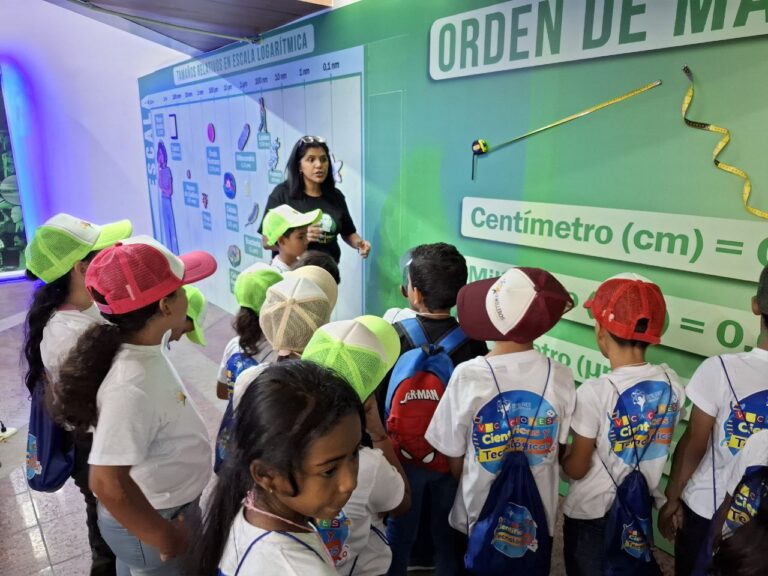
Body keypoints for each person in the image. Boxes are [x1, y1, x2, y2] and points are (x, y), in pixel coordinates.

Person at [49, 235, 217, 575]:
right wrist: (164, 537)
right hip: (157, 521)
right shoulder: (130, 383)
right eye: (181, 289)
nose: (188, 295)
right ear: (165, 307)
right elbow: (106, 482)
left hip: (161, 510)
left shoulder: (142, 344)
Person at [425, 267, 576, 573]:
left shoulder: (468, 375)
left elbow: (454, 458)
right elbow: (557, 450)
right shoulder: (561, 376)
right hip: (538, 518)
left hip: (475, 513)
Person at [23, 213, 132, 576]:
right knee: (108, 538)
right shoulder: (68, 333)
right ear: (81, 268)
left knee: (111, 526)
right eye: (103, 253)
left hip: (103, 441)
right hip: (94, 447)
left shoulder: (88, 311)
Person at [561, 273, 685, 576]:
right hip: (637, 507)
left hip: (591, 515)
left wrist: (559, 457)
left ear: (601, 330)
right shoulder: (672, 383)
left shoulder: (593, 392)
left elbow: (577, 468)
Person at [190, 361, 365, 576]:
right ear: (266, 476)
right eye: (329, 470)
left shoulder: (249, 504)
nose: (350, 483)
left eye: (355, 453)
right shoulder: (300, 570)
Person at [381, 242, 488, 576]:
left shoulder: (393, 336)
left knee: (399, 530)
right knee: (448, 532)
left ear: (413, 293)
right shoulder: (472, 340)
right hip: (451, 457)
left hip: (403, 457)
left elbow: (382, 396)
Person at [660, 264, 768, 576]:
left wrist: (671, 501)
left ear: (755, 305)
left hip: (707, 513)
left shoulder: (720, 369)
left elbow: (694, 443)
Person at [302, 316, 411, 575]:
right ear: (368, 398)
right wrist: (379, 435)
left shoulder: (283, 449)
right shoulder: (369, 464)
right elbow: (403, 503)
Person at [259, 136, 370, 263]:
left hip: (327, 273)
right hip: (293, 273)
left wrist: (359, 244)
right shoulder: (282, 194)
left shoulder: (336, 196)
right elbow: (266, 241)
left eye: (323, 159)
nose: (319, 165)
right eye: (311, 160)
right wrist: (301, 237)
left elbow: (348, 232)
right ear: (299, 165)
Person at [214, 264, 282, 470]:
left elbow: (221, 391)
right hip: (264, 438)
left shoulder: (234, 345)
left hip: (232, 433)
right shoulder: (280, 354)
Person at [261, 204, 320, 274]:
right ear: (282, 241)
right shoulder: (279, 278)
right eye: (300, 237)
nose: (307, 241)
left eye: (306, 234)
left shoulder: (302, 266)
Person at [157, 140, 178, 255]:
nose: (160, 158)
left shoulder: (167, 171)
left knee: (171, 226)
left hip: (167, 200)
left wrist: (164, 190)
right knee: (166, 227)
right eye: (158, 155)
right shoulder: (160, 172)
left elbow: (169, 190)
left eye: (161, 155)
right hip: (163, 200)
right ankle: (169, 253)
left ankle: (175, 252)